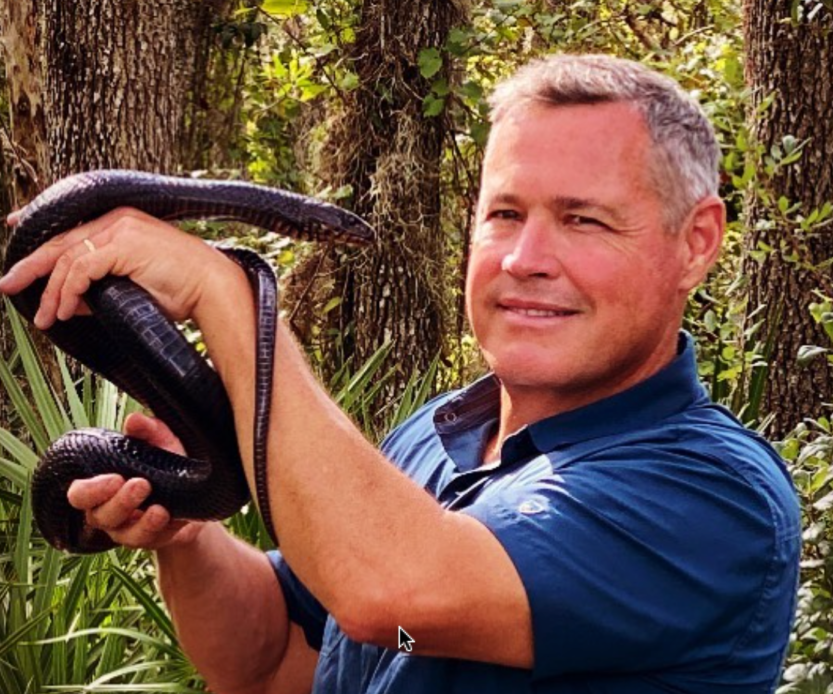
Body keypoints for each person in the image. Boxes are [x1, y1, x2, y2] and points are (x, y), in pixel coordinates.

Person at [0, 54, 800, 694]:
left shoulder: (711, 496)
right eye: (504, 214)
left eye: (583, 219)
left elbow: (391, 599)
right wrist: (187, 533)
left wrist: (232, 298)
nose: (525, 261)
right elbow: (272, 659)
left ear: (696, 242)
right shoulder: (436, 434)